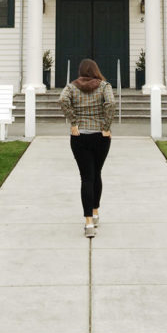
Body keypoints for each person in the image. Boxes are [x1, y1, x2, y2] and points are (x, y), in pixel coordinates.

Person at [59, 58, 115, 238]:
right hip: (101, 136)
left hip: (79, 137)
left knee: (86, 178)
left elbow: (62, 100)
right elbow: (111, 104)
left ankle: (89, 223)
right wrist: (106, 127)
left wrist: (73, 122)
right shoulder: (104, 86)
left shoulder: (72, 87)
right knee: (96, 174)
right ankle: (96, 213)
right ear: (96, 70)